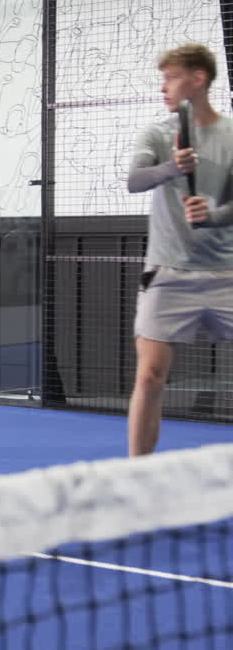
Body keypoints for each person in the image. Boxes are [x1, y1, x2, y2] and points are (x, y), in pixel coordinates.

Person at [127, 43, 233, 456]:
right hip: (168, 274)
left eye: (170, 78)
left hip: (226, 274)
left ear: (198, 79)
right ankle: (137, 477)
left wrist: (214, 215)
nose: (163, 88)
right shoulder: (156, 133)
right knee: (151, 377)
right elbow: (135, 180)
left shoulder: (230, 136)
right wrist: (172, 168)